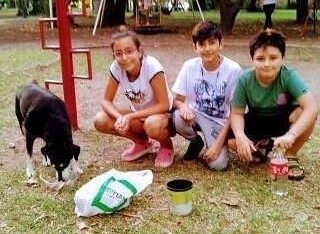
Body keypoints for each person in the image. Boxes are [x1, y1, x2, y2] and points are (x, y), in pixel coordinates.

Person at [228, 30, 319, 180]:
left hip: (282, 118)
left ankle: (290, 155)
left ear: (282, 58)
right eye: (260, 58)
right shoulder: (245, 79)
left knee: (304, 112)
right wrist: (240, 135)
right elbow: (237, 113)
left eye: (273, 58)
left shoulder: (288, 76)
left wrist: (291, 135)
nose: (267, 64)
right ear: (252, 60)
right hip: (257, 119)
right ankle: (263, 148)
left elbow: (312, 106)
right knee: (232, 142)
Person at [94, 29, 174, 167]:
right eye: (118, 54)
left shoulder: (152, 67)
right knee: (100, 120)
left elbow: (164, 105)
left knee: (151, 124)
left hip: (163, 117)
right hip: (139, 118)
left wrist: (130, 117)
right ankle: (142, 142)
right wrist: (119, 117)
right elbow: (106, 100)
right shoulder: (116, 68)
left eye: (129, 51)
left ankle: (167, 145)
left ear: (139, 51)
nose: (124, 58)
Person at [171, 21, 242, 170]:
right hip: (195, 115)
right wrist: (183, 106)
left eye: (212, 43)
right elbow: (177, 99)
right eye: (202, 44)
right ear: (195, 47)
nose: (207, 49)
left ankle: (215, 146)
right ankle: (196, 142)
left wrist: (217, 145)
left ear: (221, 44)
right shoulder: (189, 66)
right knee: (177, 117)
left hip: (220, 122)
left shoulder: (233, 70)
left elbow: (235, 113)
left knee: (218, 165)